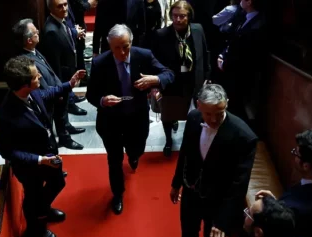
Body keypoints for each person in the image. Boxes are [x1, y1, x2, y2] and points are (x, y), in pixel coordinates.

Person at [0, 56, 85, 237]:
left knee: (58, 182)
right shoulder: (4, 117)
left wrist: (70, 84)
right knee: (33, 196)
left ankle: (43, 209)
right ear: (24, 84)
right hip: (30, 167)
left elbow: (47, 94)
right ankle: (35, 229)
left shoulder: (32, 92)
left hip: (49, 154)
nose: (41, 78)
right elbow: (8, 152)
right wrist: (40, 160)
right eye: (36, 77)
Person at [86, 24, 174, 215]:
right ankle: (117, 194)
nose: (122, 52)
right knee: (114, 160)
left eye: (125, 46)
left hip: (138, 117)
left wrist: (155, 80)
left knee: (137, 148)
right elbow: (91, 94)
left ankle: (134, 156)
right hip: (111, 121)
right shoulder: (100, 63)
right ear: (109, 46)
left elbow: (169, 74)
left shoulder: (143, 55)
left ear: (131, 43)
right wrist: (102, 100)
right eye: (117, 47)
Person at [170, 83, 258, 237]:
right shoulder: (193, 118)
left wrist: (224, 221)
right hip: (191, 193)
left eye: (219, 112)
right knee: (188, 234)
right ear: (198, 105)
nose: (214, 119)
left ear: (227, 103)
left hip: (218, 202)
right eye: (208, 114)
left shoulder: (245, 137)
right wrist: (176, 184)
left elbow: (239, 184)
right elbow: (185, 153)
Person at [12, 18, 85, 152]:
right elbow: (41, 88)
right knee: (49, 131)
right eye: (35, 32)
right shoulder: (26, 63)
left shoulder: (34, 50)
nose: (38, 32)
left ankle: (65, 135)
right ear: (28, 40)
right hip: (48, 100)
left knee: (61, 118)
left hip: (56, 92)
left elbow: (49, 71)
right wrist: (62, 88)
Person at [150, 0, 211, 157]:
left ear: (189, 17)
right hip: (172, 82)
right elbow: (155, 61)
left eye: (182, 16)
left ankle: (193, 140)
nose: (178, 20)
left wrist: (207, 76)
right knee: (168, 113)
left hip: (194, 80)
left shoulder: (198, 30)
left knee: (197, 114)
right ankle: (169, 140)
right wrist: (157, 82)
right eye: (175, 16)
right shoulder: (161, 35)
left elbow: (205, 53)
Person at [255, 129, 312, 237]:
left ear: (306, 166)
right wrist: (275, 204)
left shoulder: (297, 208)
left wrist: (275, 208)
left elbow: (276, 232)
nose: (294, 154)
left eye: (296, 153)